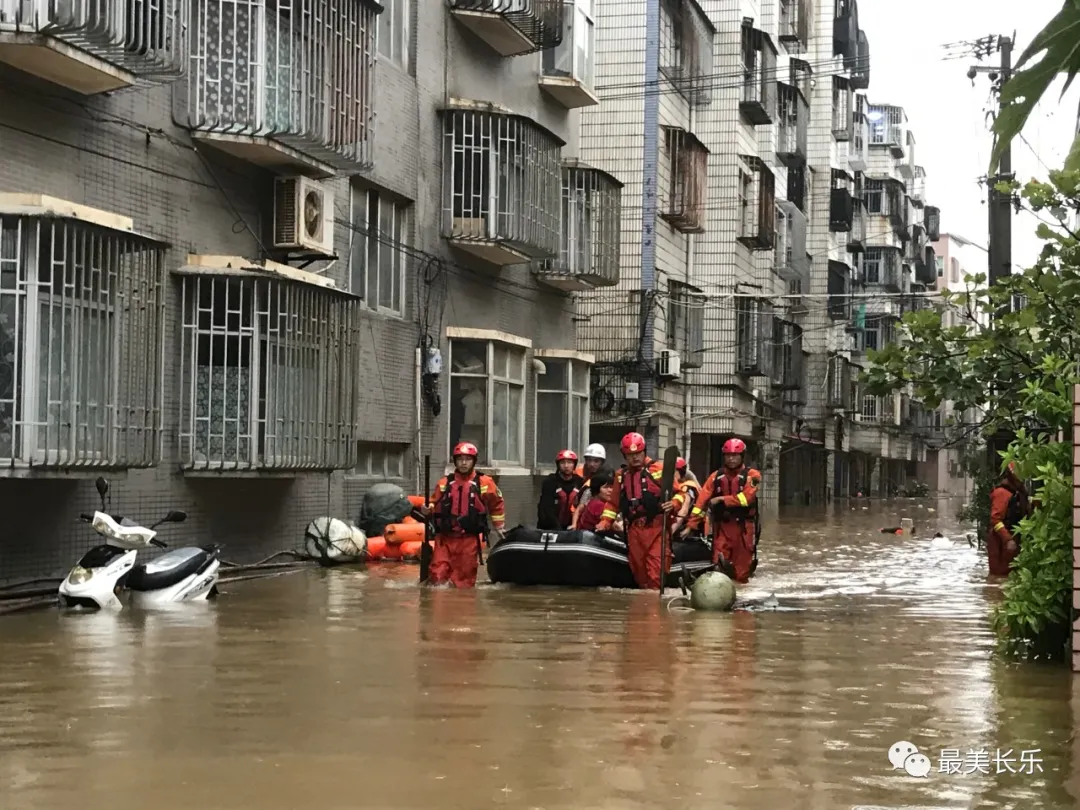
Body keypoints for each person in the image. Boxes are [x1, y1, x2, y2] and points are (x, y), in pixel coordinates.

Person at [595, 432, 683, 589]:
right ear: (624, 456)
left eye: (638, 453)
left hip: (657, 527)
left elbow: (679, 493)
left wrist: (674, 504)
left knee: (655, 575)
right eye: (630, 455)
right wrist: (605, 521)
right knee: (640, 576)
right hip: (634, 530)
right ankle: (643, 610)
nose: (634, 458)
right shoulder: (621, 476)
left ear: (644, 451)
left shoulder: (658, 469)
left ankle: (655, 611)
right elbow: (613, 504)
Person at [423, 442, 506, 588]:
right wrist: (427, 509)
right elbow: (433, 502)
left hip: (469, 539)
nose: (463, 463)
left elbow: (496, 504)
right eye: (460, 459)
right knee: (437, 575)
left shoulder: (484, 483)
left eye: (467, 459)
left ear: (473, 461)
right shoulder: (444, 483)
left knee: (464, 581)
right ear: (455, 461)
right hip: (445, 538)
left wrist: (499, 527)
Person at [684, 438, 761, 584]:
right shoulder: (715, 477)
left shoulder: (753, 476)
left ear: (742, 456)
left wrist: (721, 500)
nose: (731, 459)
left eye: (735, 455)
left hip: (743, 529)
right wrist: (690, 526)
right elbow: (701, 503)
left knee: (742, 572)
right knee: (718, 566)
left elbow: (746, 498)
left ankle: (740, 599)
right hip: (722, 529)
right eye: (728, 455)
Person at [987, 461, 1030, 577]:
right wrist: (1007, 539)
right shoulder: (1002, 493)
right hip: (1001, 544)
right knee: (1000, 577)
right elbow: (995, 519)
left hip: (1015, 540)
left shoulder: (1019, 492)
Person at [537, 449, 584, 530]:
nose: (566, 466)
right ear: (558, 465)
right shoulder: (550, 482)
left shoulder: (579, 482)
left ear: (574, 465)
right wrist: (557, 528)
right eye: (562, 463)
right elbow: (546, 508)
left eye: (569, 462)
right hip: (551, 527)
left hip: (571, 527)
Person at [570, 443, 608, 528]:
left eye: (596, 461)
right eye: (589, 460)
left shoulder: (608, 477)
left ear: (602, 462)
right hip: (582, 517)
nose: (591, 464)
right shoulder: (577, 474)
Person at [670, 457, 700, 537]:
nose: (670, 474)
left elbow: (683, 511)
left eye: (674, 472)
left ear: (681, 471)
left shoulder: (688, 487)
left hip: (686, 527)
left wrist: (668, 533)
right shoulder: (672, 485)